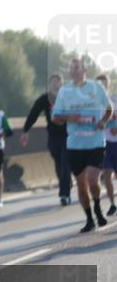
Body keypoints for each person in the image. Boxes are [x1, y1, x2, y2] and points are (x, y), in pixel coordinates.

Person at [52, 57, 113, 233]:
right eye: (71, 69)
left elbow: (109, 109)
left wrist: (103, 121)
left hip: (95, 142)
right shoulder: (65, 91)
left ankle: (98, 208)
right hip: (75, 145)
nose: (74, 71)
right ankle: (89, 219)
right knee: (81, 185)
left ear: (84, 71)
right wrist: (69, 117)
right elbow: (55, 118)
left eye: (77, 68)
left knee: (93, 180)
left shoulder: (96, 87)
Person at [21, 74, 72, 206]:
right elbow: (34, 114)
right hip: (53, 136)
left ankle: (64, 194)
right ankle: (66, 184)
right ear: (49, 85)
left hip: (68, 135)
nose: (56, 85)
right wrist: (25, 130)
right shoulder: (44, 99)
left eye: (58, 83)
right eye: (53, 83)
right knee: (58, 164)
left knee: (65, 163)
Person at [97, 74, 117, 216]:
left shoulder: (115, 100)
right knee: (107, 176)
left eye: (104, 84)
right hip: (104, 144)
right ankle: (112, 204)